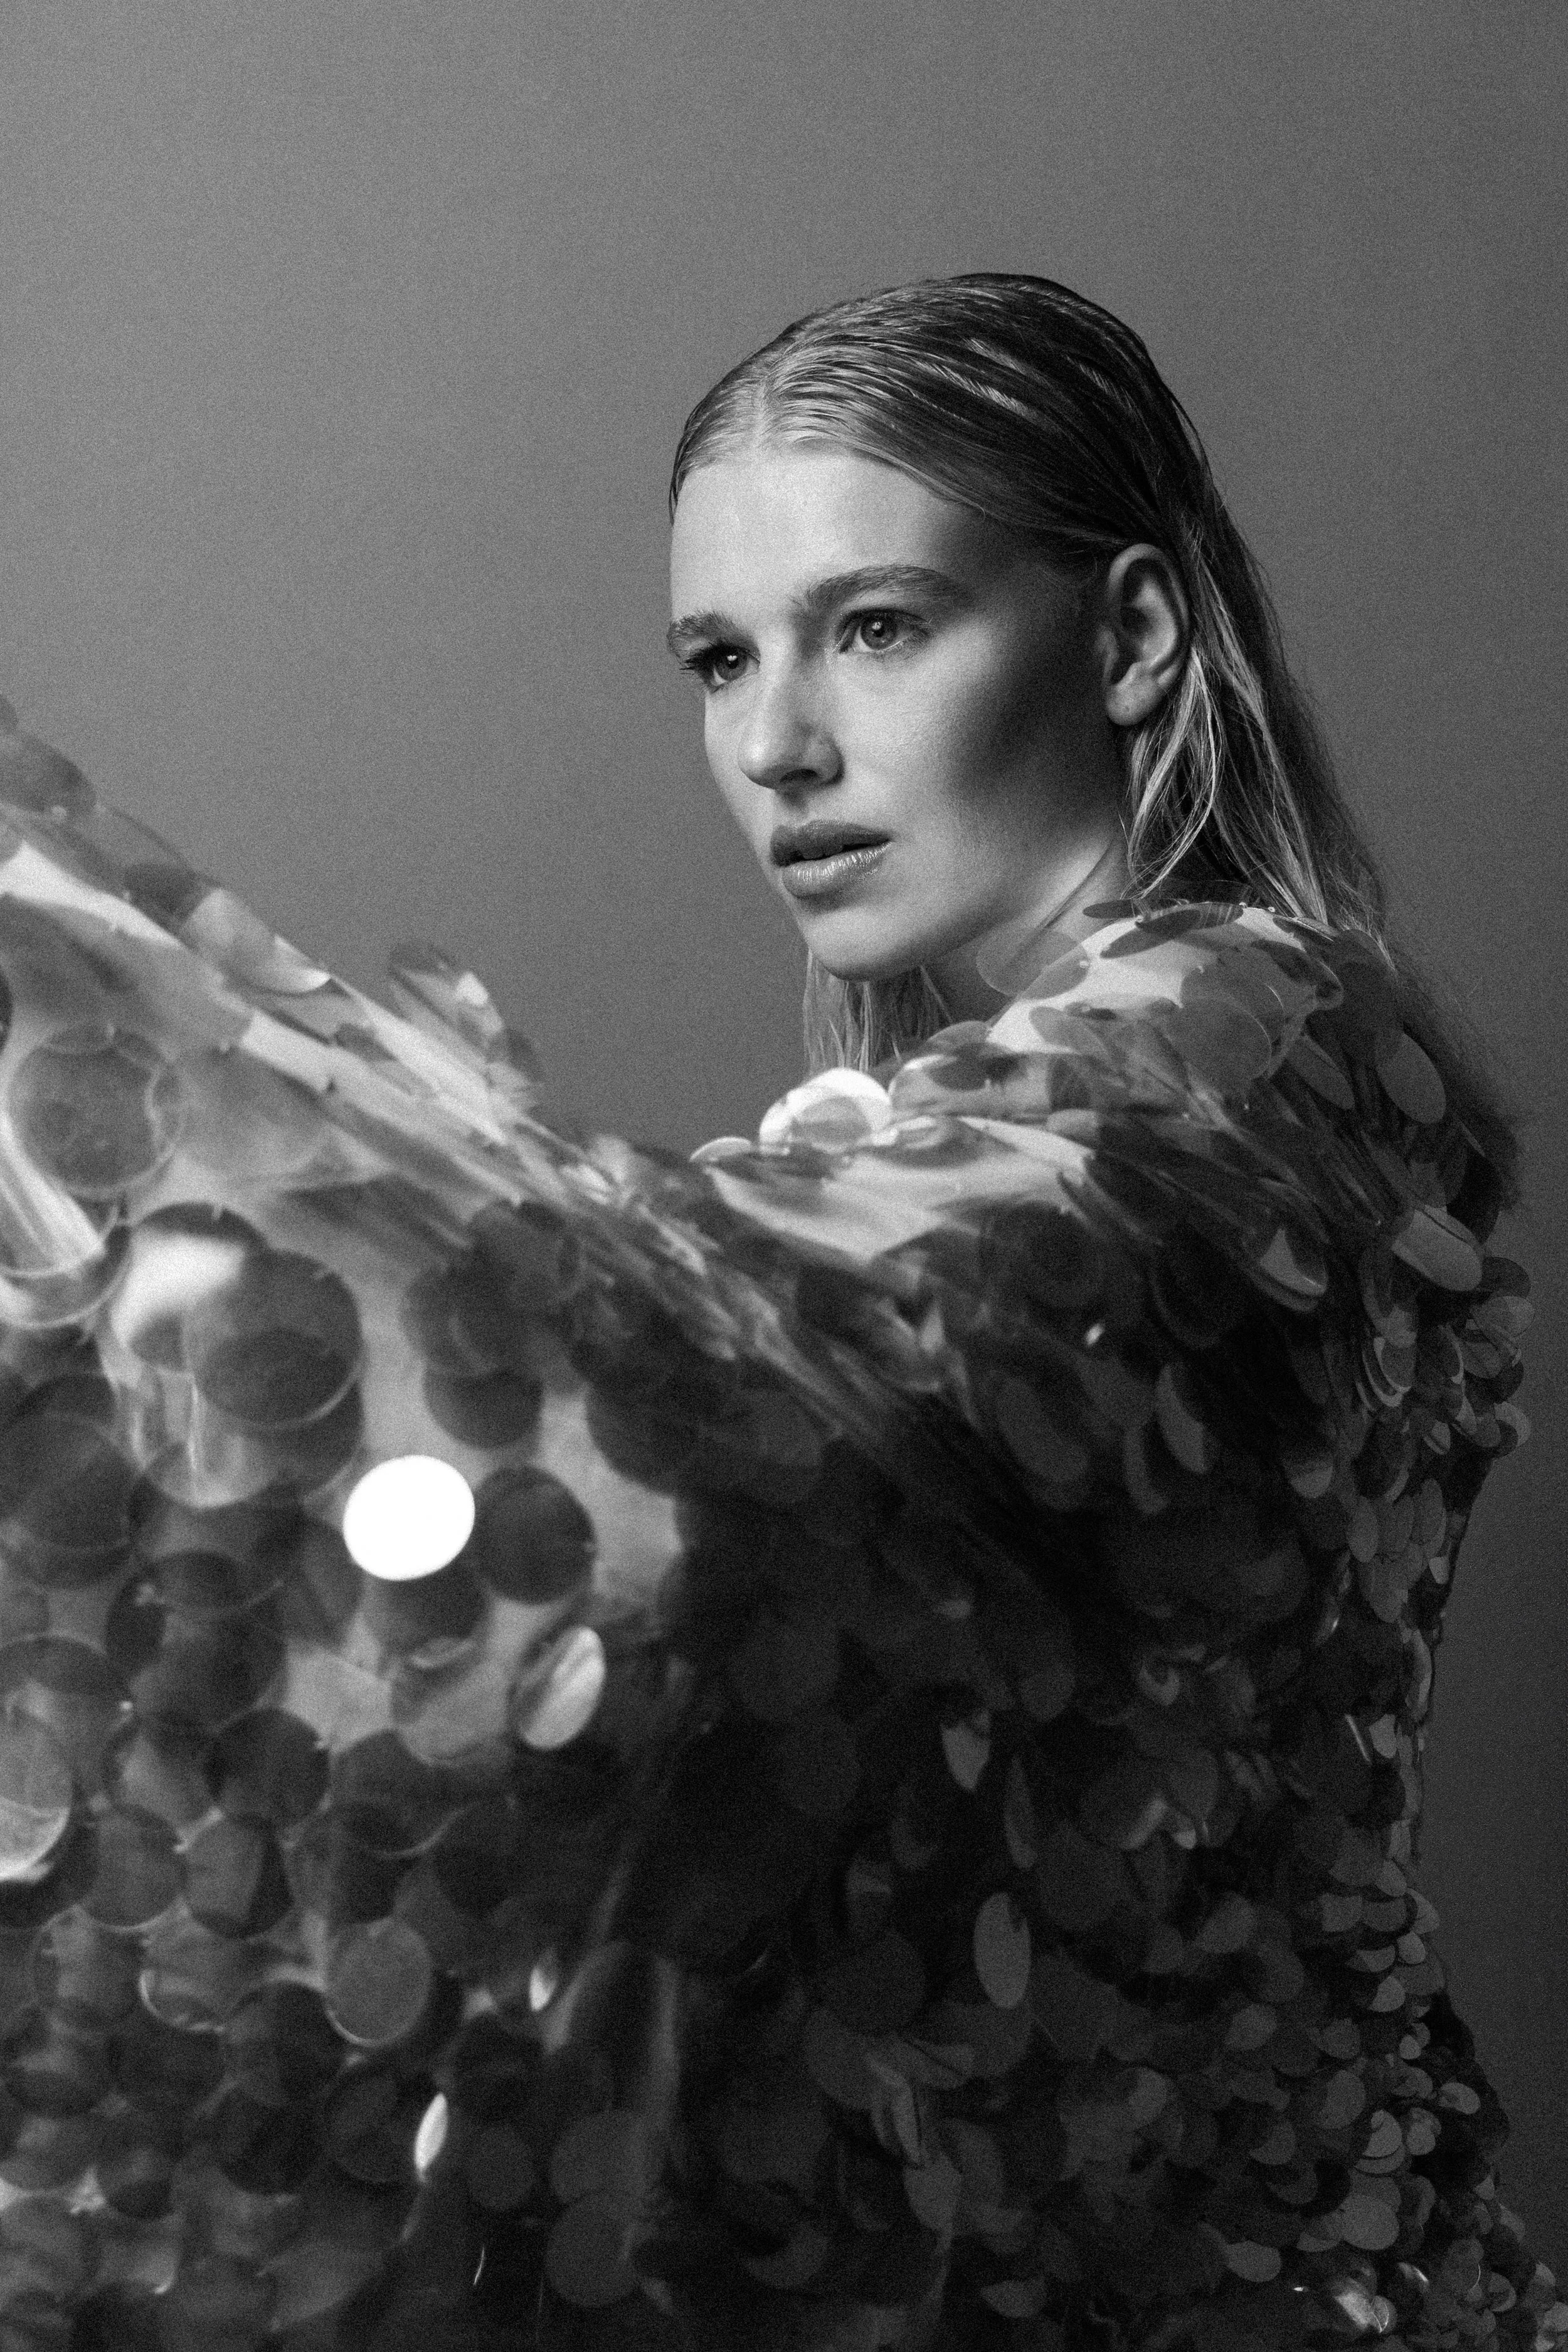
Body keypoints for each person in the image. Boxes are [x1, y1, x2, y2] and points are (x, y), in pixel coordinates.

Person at [0, 276, 1557, 2352]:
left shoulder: (1244, 1062)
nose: (776, 745)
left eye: (878, 627)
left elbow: (686, 1383)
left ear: (1130, 641)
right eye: (720, 658)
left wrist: (83, 1065)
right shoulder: (1106, 1101)